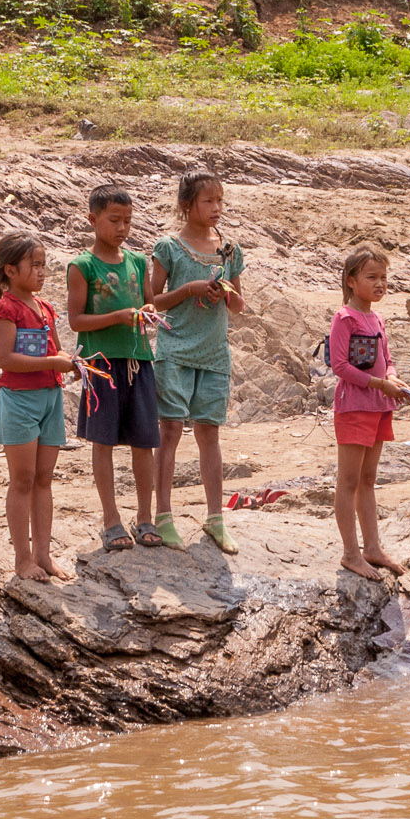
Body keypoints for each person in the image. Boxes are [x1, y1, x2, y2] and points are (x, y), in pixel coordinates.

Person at [148, 171, 248, 555]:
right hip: (174, 349)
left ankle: (215, 518)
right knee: (170, 429)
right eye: (208, 201)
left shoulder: (229, 250)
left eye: (220, 201)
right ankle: (164, 516)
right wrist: (188, 290)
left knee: (210, 433)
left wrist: (225, 292)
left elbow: (239, 304)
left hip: (213, 353)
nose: (216, 208)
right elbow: (151, 301)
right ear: (186, 205)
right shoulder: (169, 247)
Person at [65, 185, 162, 551]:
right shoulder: (82, 266)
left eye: (128, 221)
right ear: (93, 220)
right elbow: (77, 321)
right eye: (114, 220)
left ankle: (145, 517)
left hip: (139, 361)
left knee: (143, 441)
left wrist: (147, 314)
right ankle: (111, 518)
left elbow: (150, 305)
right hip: (101, 365)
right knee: (103, 441)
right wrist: (118, 317)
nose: (122, 228)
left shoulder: (138, 262)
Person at [0, 232, 76, 583]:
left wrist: (67, 363)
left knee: (44, 478)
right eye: (34, 266)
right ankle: (22, 559)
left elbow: (54, 350)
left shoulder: (45, 308)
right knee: (22, 480)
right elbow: (6, 359)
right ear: (10, 270)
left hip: (50, 398)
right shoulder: (5, 309)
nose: (41, 272)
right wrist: (55, 362)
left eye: (43, 265)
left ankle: (43, 554)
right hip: (21, 401)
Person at [328, 245, 410, 581]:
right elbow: (340, 366)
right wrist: (379, 383)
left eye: (384, 277)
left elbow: (387, 358)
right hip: (355, 407)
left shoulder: (377, 318)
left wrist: (392, 377)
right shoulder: (344, 318)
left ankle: (372, 547)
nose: (380, 284)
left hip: (379, 406)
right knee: (348, 481)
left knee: (368, 480)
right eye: (372, 277)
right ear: (351, 281)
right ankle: (351, 552)